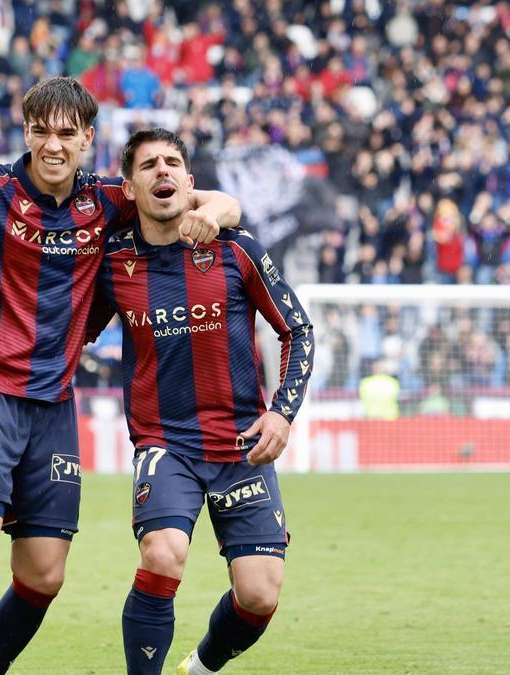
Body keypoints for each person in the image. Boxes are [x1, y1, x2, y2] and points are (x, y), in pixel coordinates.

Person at [0, 76, 241, 674]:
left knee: (44, 575)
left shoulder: (109, 199)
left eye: (66, 134)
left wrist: (218, 212)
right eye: (41, 131)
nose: (53, 145)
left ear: (87, 139)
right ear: (26, 133)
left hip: (52, 400)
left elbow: (211, 201)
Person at [85, 128, 315, 675]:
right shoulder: (113, 263)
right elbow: (72, 331)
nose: (161, 171)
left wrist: (282, 413)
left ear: (190, 183)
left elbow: (297, 330)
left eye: (172, 162)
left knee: (259, 595)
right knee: (162, 554)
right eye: (148, 165)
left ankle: (199, 668)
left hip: (241, 444)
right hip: (166, 443)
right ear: (129, 188)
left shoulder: (237, 248)